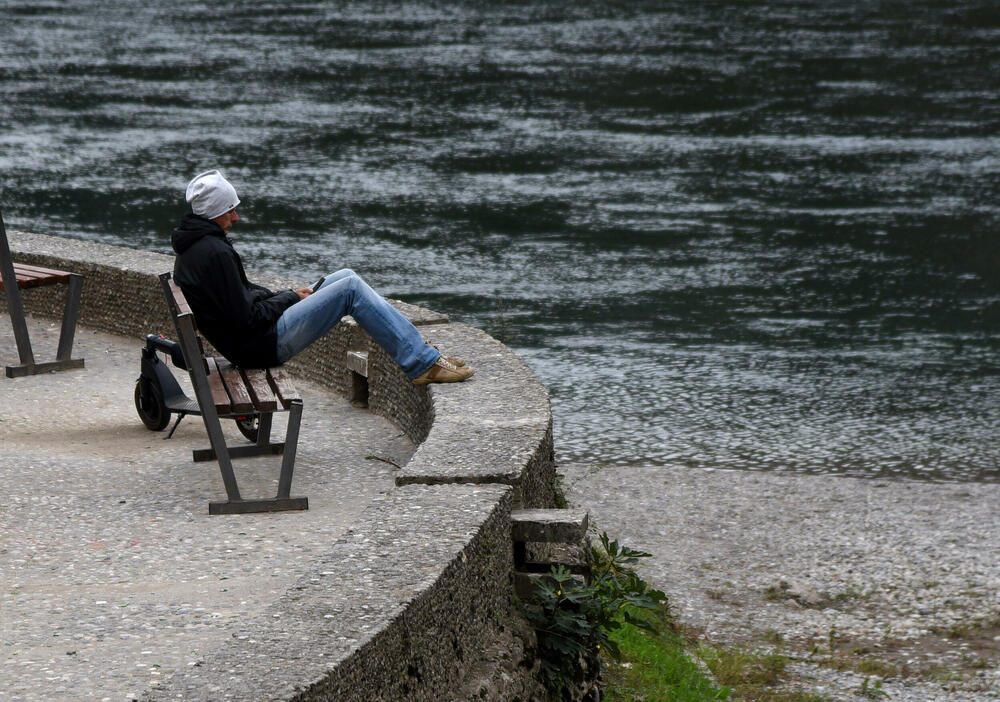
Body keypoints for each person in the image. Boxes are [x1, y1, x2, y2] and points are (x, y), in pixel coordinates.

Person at [170, 169, 473, 385]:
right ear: (213, 212)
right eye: (230, 210)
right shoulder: (215, 253)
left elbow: (243, 297)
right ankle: (422, 363)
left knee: (345, 275)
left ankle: (422, 352)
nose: (236, 217)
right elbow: (245, 318)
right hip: (259, 346)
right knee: (350, 289)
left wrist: (287, 295)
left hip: (252, 338)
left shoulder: (198, 247)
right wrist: (289, 298)